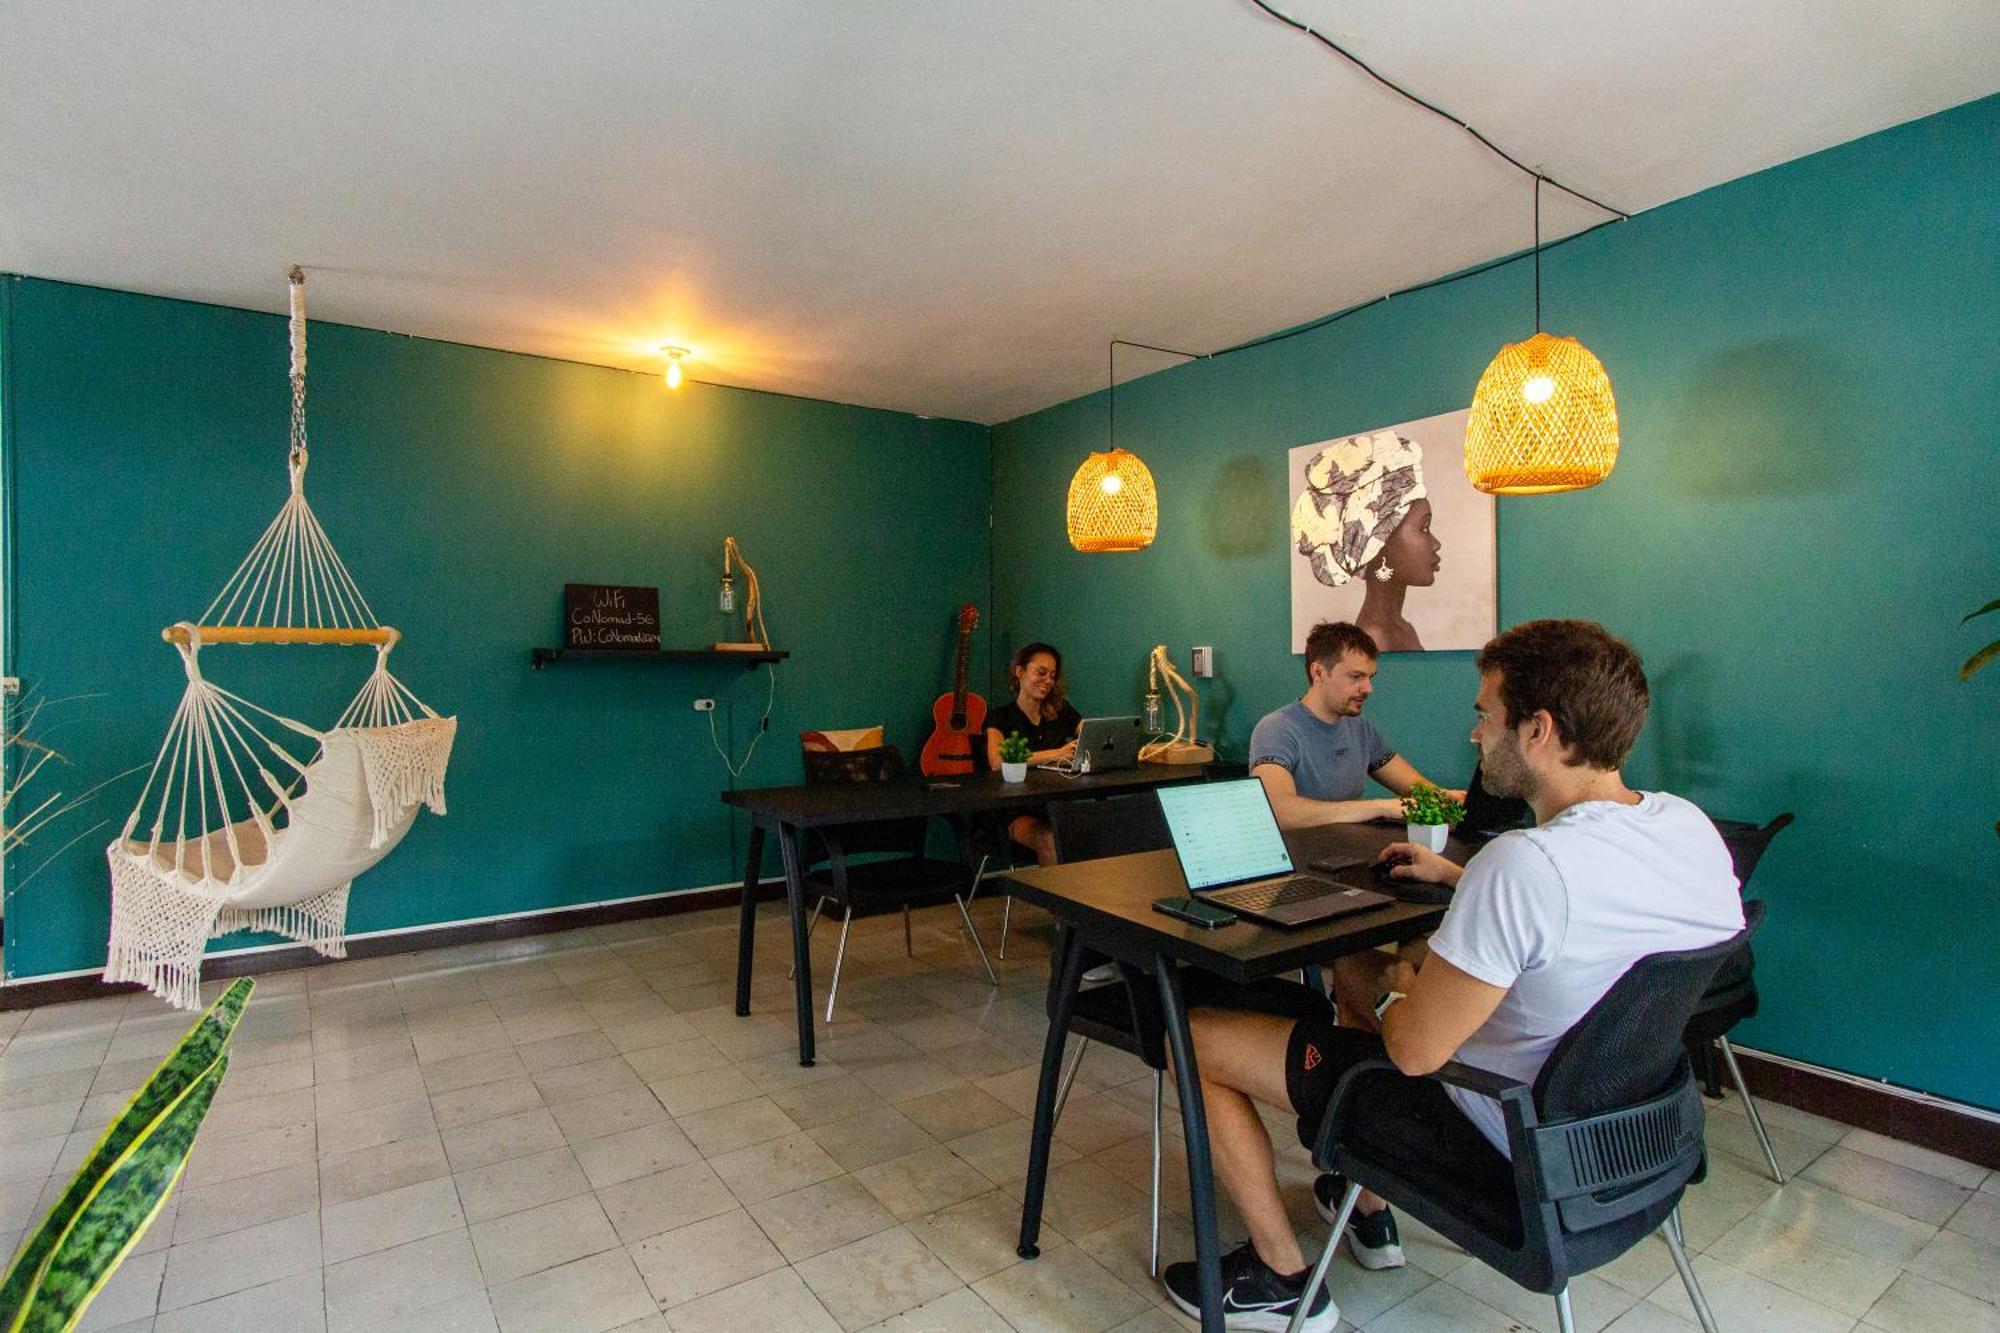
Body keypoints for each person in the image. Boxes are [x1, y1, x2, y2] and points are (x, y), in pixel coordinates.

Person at [1160, 620, 1744, 1331]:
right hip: (1631, 1145)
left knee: (1196, 1035)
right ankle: (1365, 1208)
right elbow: (1587, 907)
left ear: (1538, 730)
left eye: (1485, 715)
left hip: (1494, 1145)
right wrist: (1459, 880)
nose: (1475, 734)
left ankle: (1281, 1277)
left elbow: (1411, 1051)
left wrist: (1394, 977)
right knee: (1372, 970)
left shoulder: (1525, 865)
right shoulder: (1690, 828)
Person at [1250, 620, 1456, 829]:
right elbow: (1279, 811)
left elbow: (1418, 791)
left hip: (1349, 845)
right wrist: (1381, 807)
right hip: (1302, 848)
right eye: (1356, 677)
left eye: (1370, 677)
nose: (1368, 688)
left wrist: (1451, 799)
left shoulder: (1361, 729)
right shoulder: (1277, 729)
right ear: (1318, 672)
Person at [1291, 429, 1441, 652]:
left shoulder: (1403, 628)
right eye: (1424, 528)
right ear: (1379, 544)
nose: (1436, 544)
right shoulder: (1376, 635)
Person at [985, 641, 1081, 865]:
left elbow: (1091, 735)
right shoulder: (1000, 717)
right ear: (1019, 672)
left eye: (1052, 675)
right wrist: (1055, 754)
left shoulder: (1061, 711)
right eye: (1041, 672)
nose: (1048, 681)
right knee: (1047, 838)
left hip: (1055, 804)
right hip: (1013, 811)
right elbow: (997, 762)